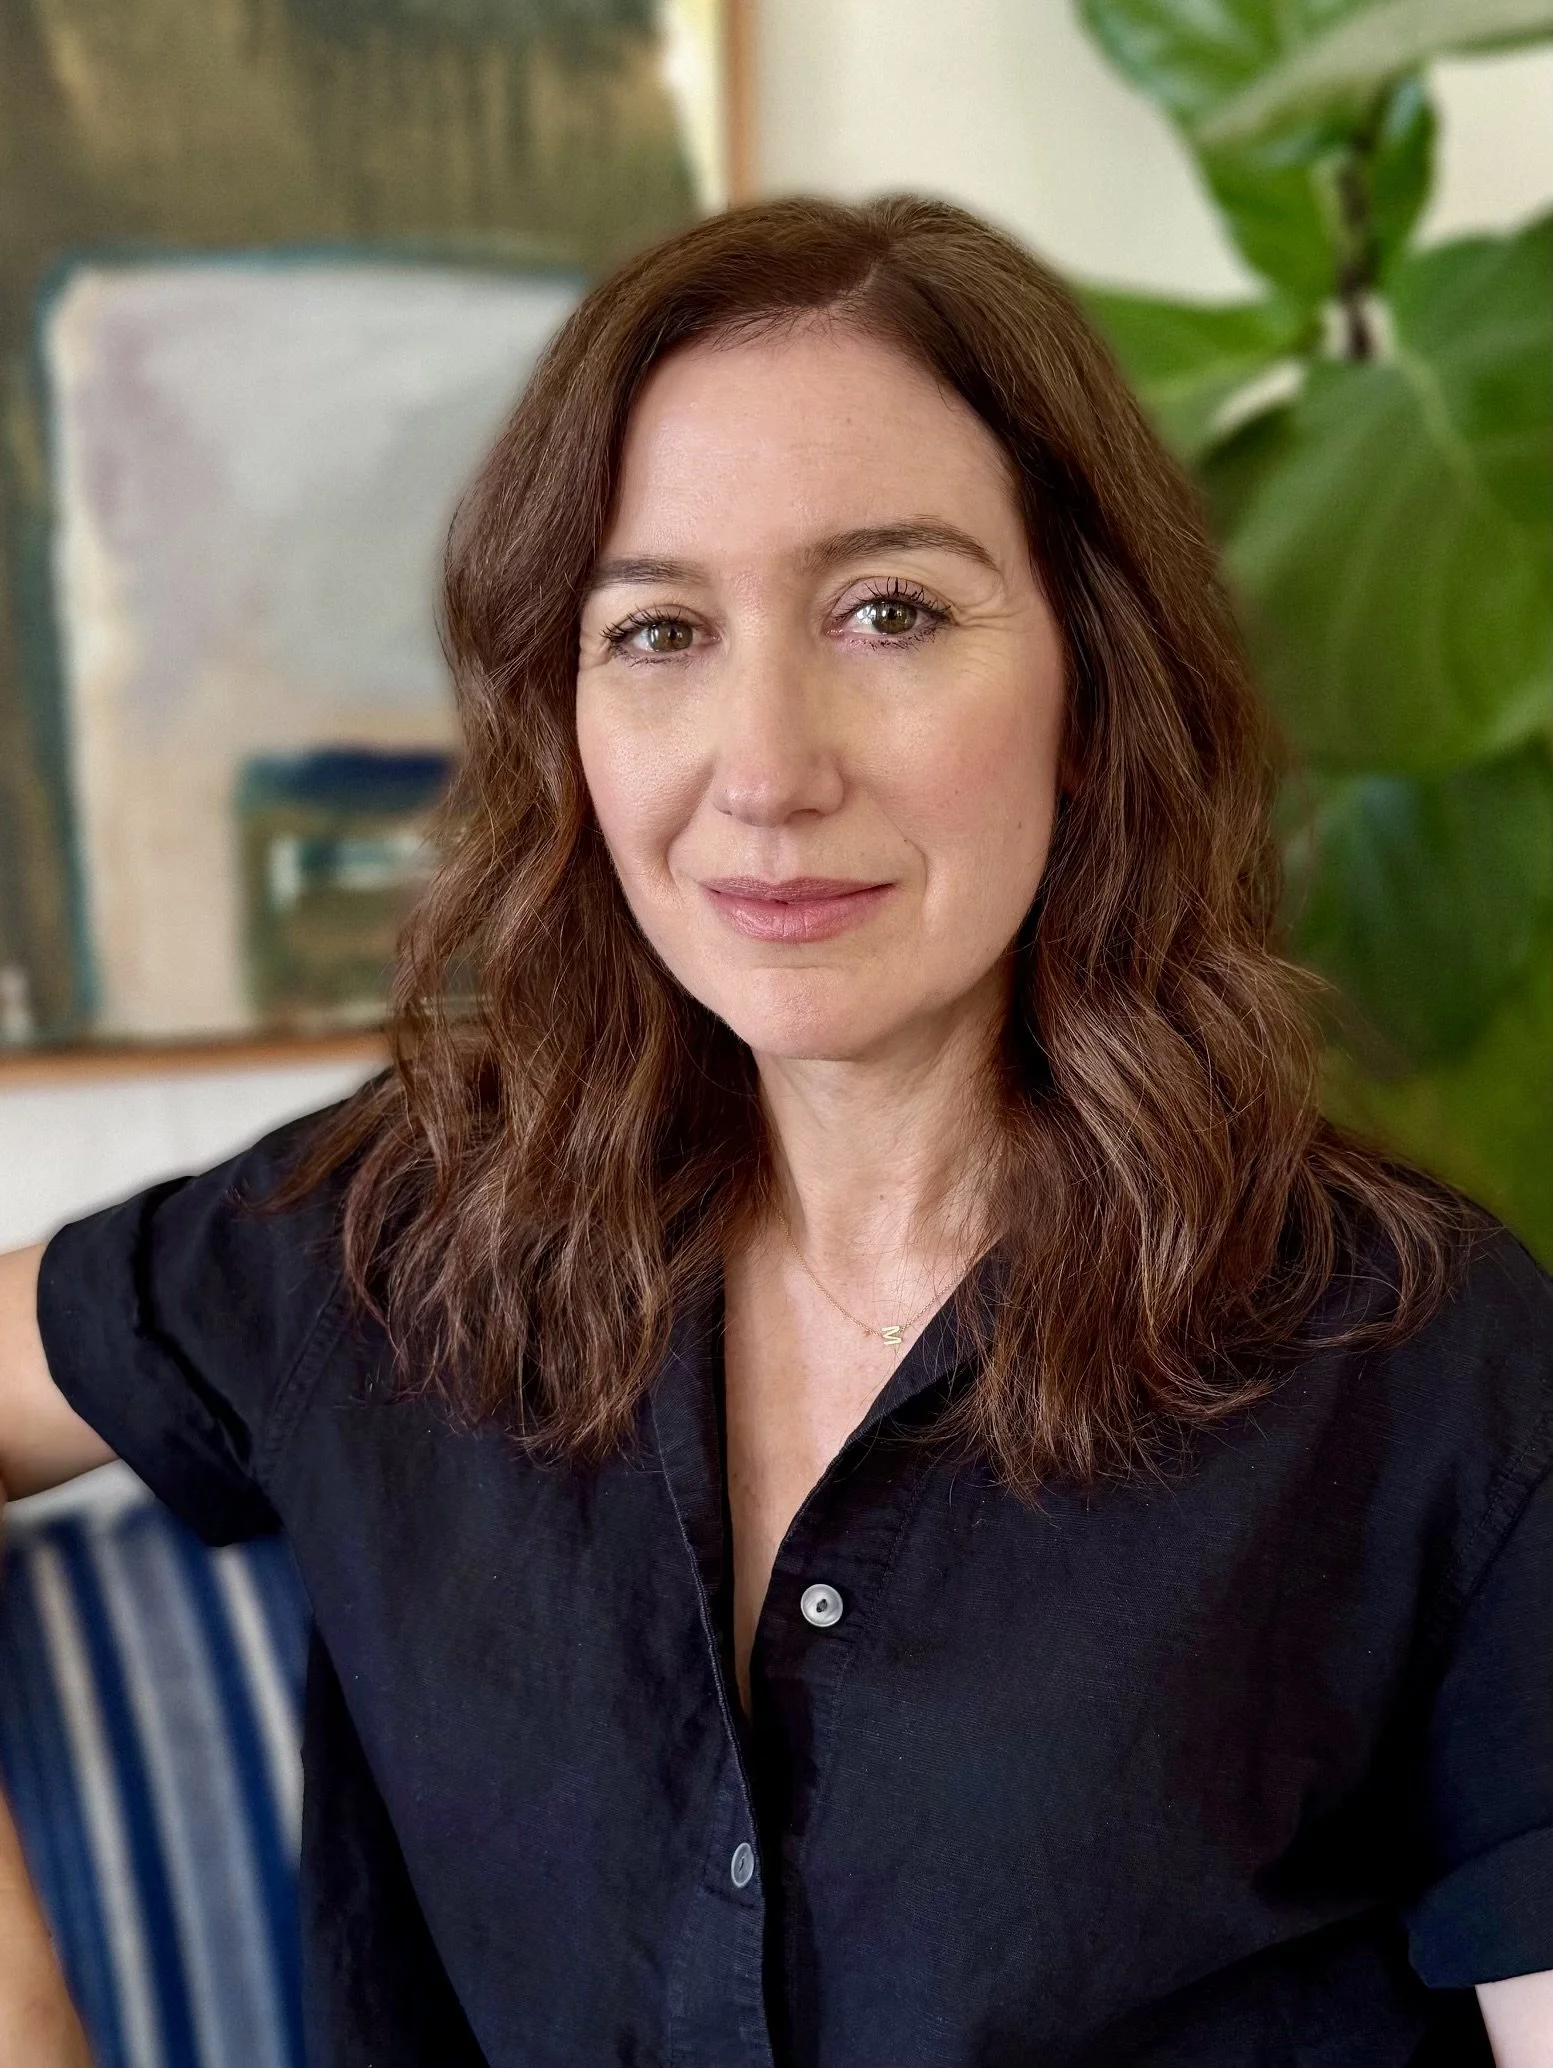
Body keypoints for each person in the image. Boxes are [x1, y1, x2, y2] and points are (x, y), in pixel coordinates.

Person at [0, 193, 1549, 2068]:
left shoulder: (1420, 1356)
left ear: (1090, 680)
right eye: (657, 631)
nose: (766, 768)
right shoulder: (398, 1233)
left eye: (889, 610)